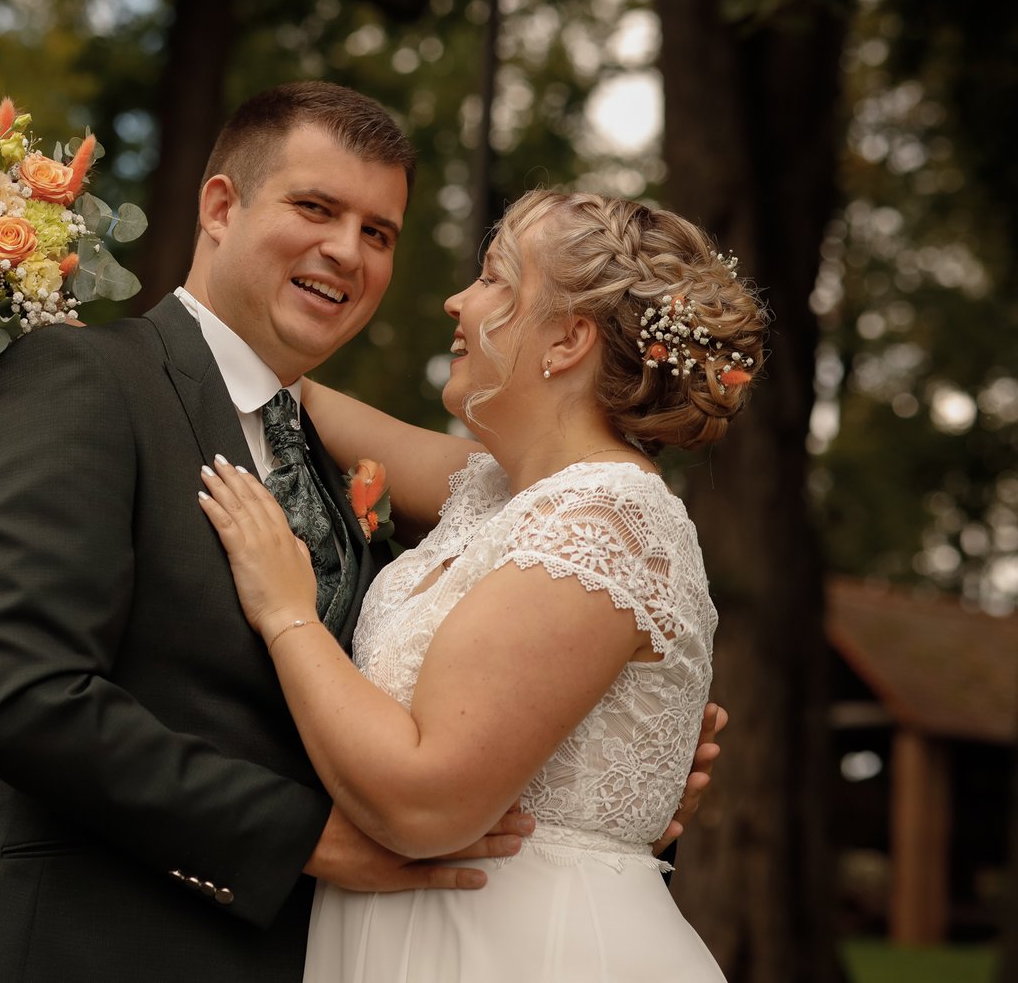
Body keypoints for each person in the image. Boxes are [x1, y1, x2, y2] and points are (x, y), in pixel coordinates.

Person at [0, 86, 720, 983]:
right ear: (221, 207)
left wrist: (600, 749)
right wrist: (304, 838)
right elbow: (27, 699)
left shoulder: (361, 475)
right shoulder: (85, 382)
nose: (347, 250)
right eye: (315, 208)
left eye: (378, 233)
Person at [197, 188, 762, 981]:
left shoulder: (608, 521)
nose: (457, 301)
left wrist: (287, 613)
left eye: (495, 279)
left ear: (566, 340)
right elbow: (284, 393)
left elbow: (425, 802)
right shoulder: (496, 489)